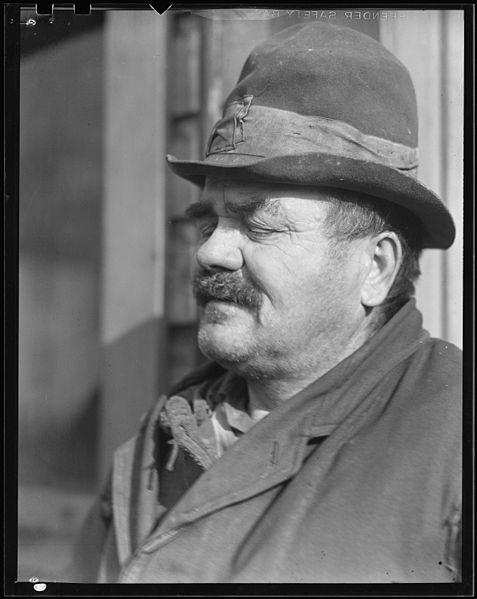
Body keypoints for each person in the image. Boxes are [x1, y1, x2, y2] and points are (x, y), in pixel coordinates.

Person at [67, 21, 462, 584]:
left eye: (258, 223)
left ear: (375, 268)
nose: (212, 252)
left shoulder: (454, 440)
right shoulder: (162, 437)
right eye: (209, 222)